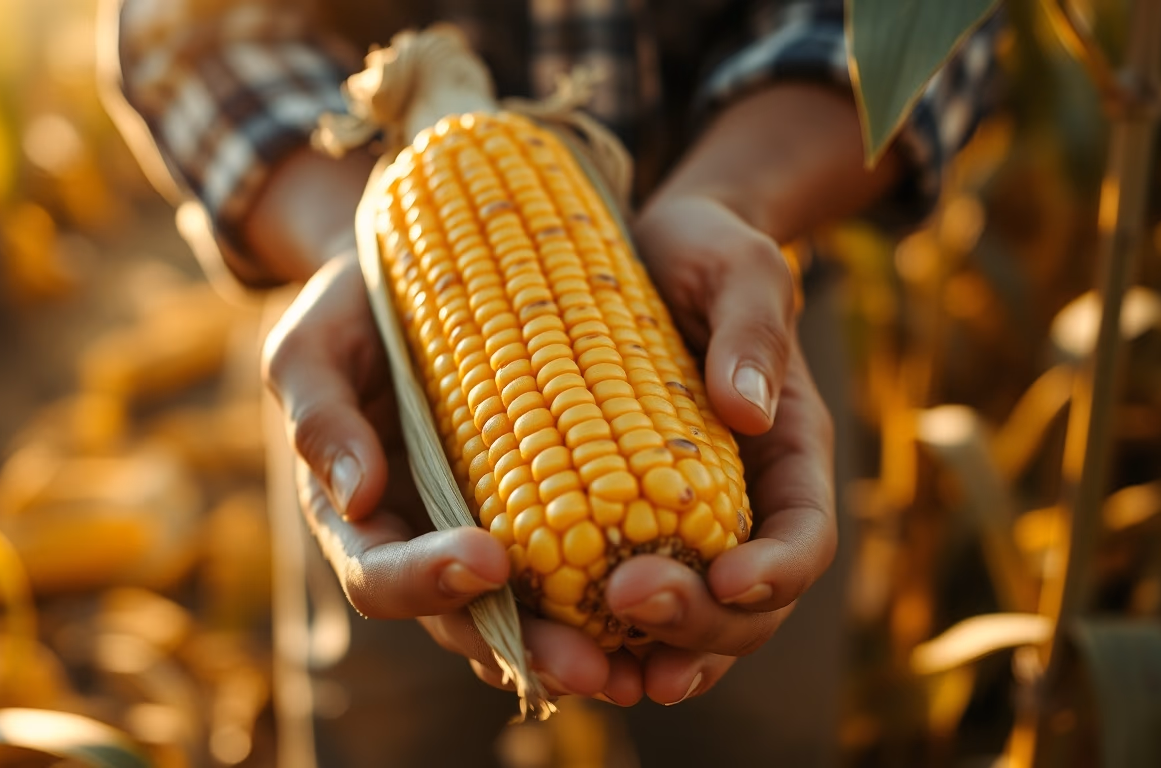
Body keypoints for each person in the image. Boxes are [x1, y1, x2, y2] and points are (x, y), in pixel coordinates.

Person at [112, 1, 998, 764]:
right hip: (379, 366)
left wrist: (736, 202)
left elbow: (908, 26)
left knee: (759, 730)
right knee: (382, 719)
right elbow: (189, 28)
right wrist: (356, 249)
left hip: (745, 291)